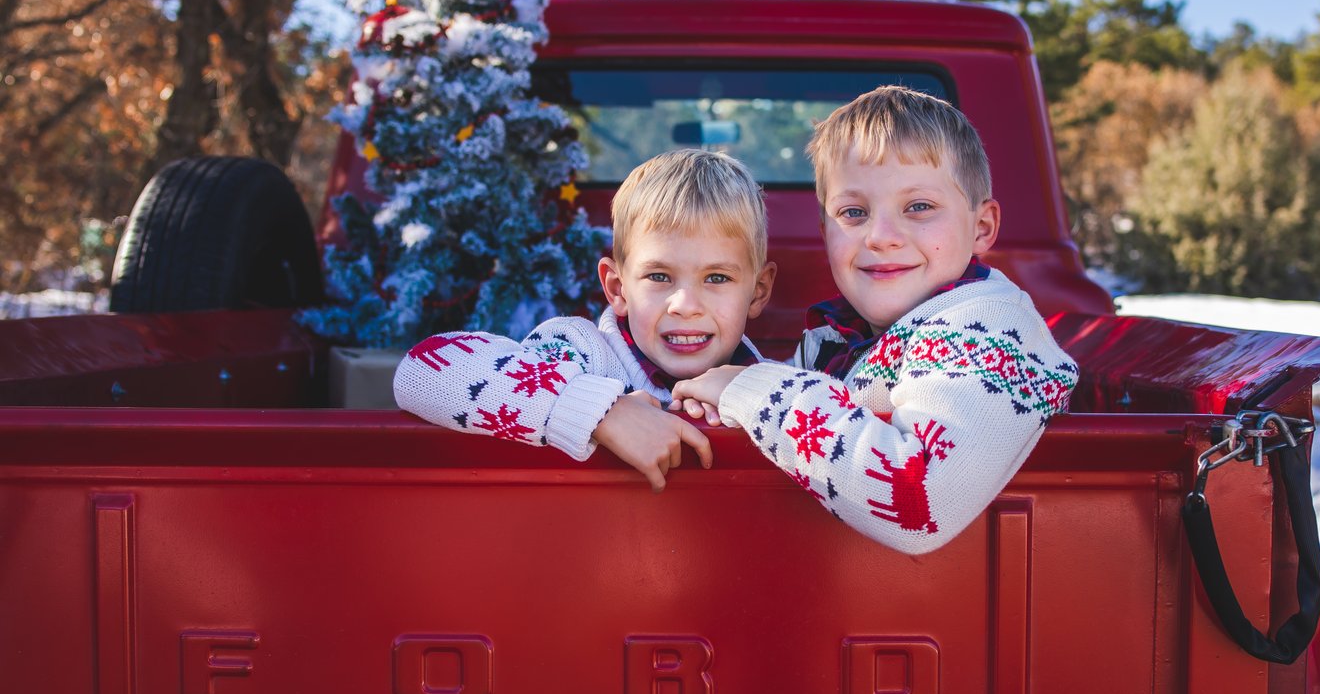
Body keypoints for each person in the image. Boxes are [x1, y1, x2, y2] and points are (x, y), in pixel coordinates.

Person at [671, 85, 1078, 554]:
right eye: (854, 213)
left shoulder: (989, 327)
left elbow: (922, 499)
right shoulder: (834, 339)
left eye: (918, 207)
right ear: (825, 232)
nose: (881, 236)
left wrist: (749, 387)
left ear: (982, 227)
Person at [394, 149, 777, 492]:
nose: (685, 305)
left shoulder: (778, 386)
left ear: (758, 291)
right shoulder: (582, 355)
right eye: (659, 277)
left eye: (717, 278)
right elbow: (424, 370)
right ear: (618, 288)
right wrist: (601, 411)